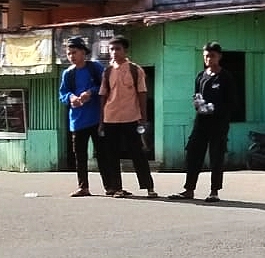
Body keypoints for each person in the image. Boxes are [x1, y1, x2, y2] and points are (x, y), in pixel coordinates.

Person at [168, 42, 236, 202]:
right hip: (201, 121)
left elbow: (232, 102)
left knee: (216, 155)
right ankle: (189, 189)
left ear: (219, 57)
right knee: (193, 153)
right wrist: (198, 104)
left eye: (212, 56)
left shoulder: (225, 77)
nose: (208, 59)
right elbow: (197, 95)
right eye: (206, 56)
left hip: (219, 123)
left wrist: (215, 108)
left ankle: (214, 191)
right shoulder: (201, 76)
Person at [98, 35, 157, 198]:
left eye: (118, 49)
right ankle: (117, 188)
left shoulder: (135, 70)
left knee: (138, 153)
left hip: (131, 117)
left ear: (125, 51)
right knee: (112, 155)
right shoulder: (107, 71)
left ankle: (149, 187)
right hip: (111, 118)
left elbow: (142, 94)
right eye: (111, 49)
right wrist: (101, 121)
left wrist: (143, 119)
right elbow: (103, 96)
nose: (114, 52)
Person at [58, 36, 109, 197]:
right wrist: (71, 98)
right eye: (69, 53)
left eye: (74, 52)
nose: (71, 56)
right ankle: (83, 187)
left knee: (102, 154)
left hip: (97, 119)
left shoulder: (95, 67)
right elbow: (62, 94)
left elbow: (105, 85)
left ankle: (109, 187)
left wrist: (90, 92)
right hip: (77, 121)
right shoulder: (68, 73)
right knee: (80, 156)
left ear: (83, 53)